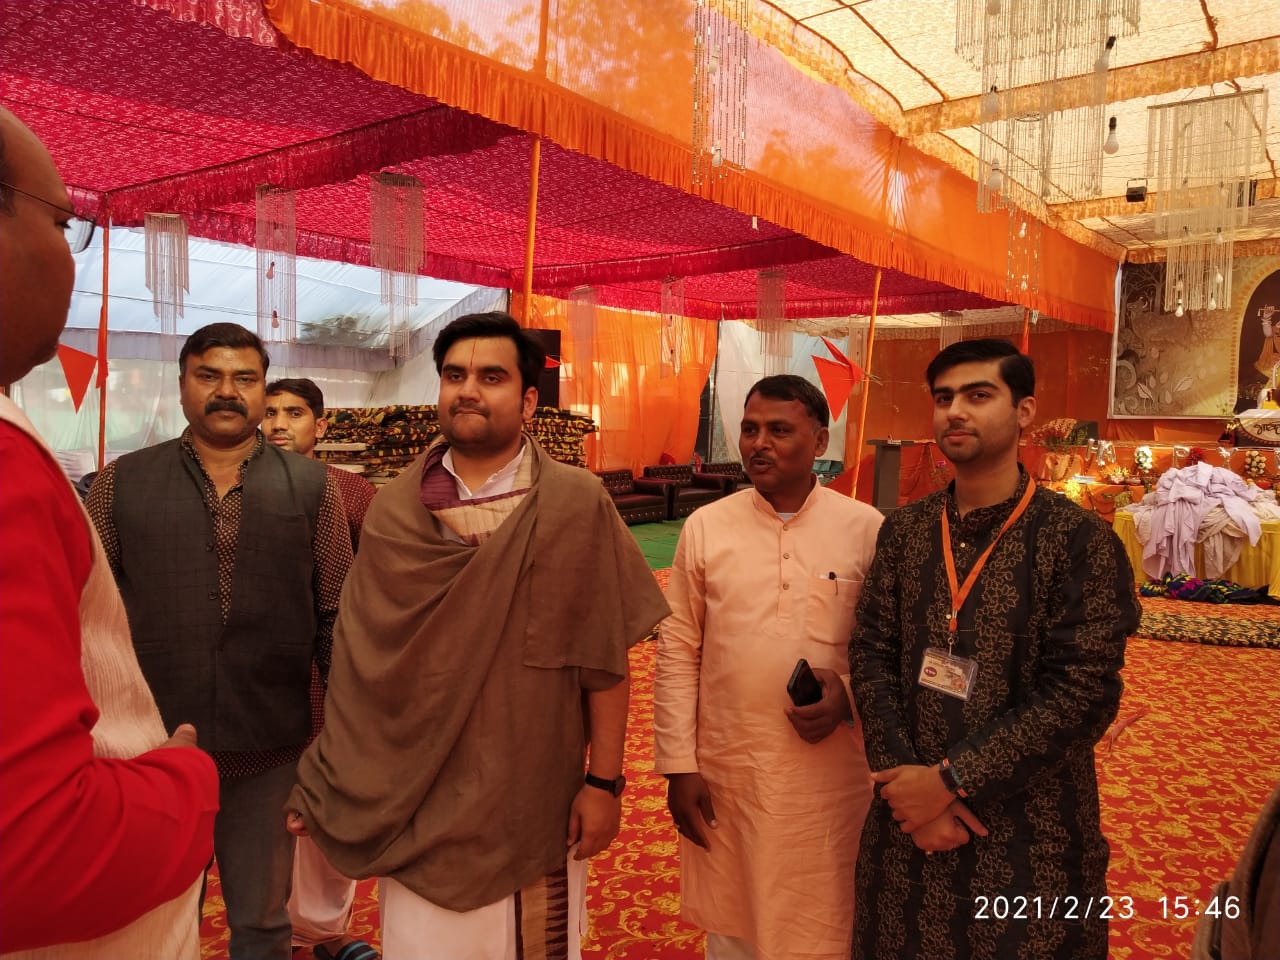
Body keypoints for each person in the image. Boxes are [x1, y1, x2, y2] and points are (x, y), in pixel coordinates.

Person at [285, 311, 669, 960]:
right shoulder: (396, 512)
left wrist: (604, 784)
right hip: (418, 792)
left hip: (534, 792)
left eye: (492, 377)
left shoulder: (574, 504)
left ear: (528, 400)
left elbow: (603, 660)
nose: (468, 390)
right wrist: (331, 779)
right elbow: (361, 668)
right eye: (454, 375)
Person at [0, 106, 218, 958]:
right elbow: (35, 853)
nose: (69, 257)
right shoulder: (108, 477)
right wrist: (184, 777)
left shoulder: (319, 490)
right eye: (63, 225)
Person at [850, 338, 1141, 960]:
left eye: (979, 395)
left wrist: (951, 781)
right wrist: (909, 791)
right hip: (905, 830)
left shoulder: (1077, 540)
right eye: (944, 398)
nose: (955, 411)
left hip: (1030, 834)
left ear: (1025, 410)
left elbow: (1082, 694)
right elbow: (870, 654)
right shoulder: (905, 531)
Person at [86, 323, 354, 960]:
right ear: (182, 386)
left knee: (262, 924)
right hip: (148, 746)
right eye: (209, 376)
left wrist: (345, 741)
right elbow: (89, 615)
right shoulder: (121, 482)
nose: (227, 391)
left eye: (244, 378)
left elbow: (336, 616)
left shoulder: (313, 487)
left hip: (269, 747)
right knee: (148, 919)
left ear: (263, 390)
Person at [653, 374, 886, 960]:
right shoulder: (707, 526)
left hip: (831, 779)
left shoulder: (866, 529)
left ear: (820, 440)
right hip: (731, 767)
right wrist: (678, 765)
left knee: (827, 917)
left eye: (779, 430)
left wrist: (848, 696)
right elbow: (678, 649)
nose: (759, 443)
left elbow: (891, 650)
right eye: (750, 429)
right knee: (735, 922)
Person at [264, 378, 378, 960]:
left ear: (322, 425)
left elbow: (378, 585)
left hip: (332, 673)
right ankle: (268, 927)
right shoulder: (239, 487)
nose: (279, 424)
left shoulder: (353, 493)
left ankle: (323, 932)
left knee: (327, 802)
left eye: (295, 413)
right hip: (259, 678)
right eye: (270, 412)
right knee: (262, 806)